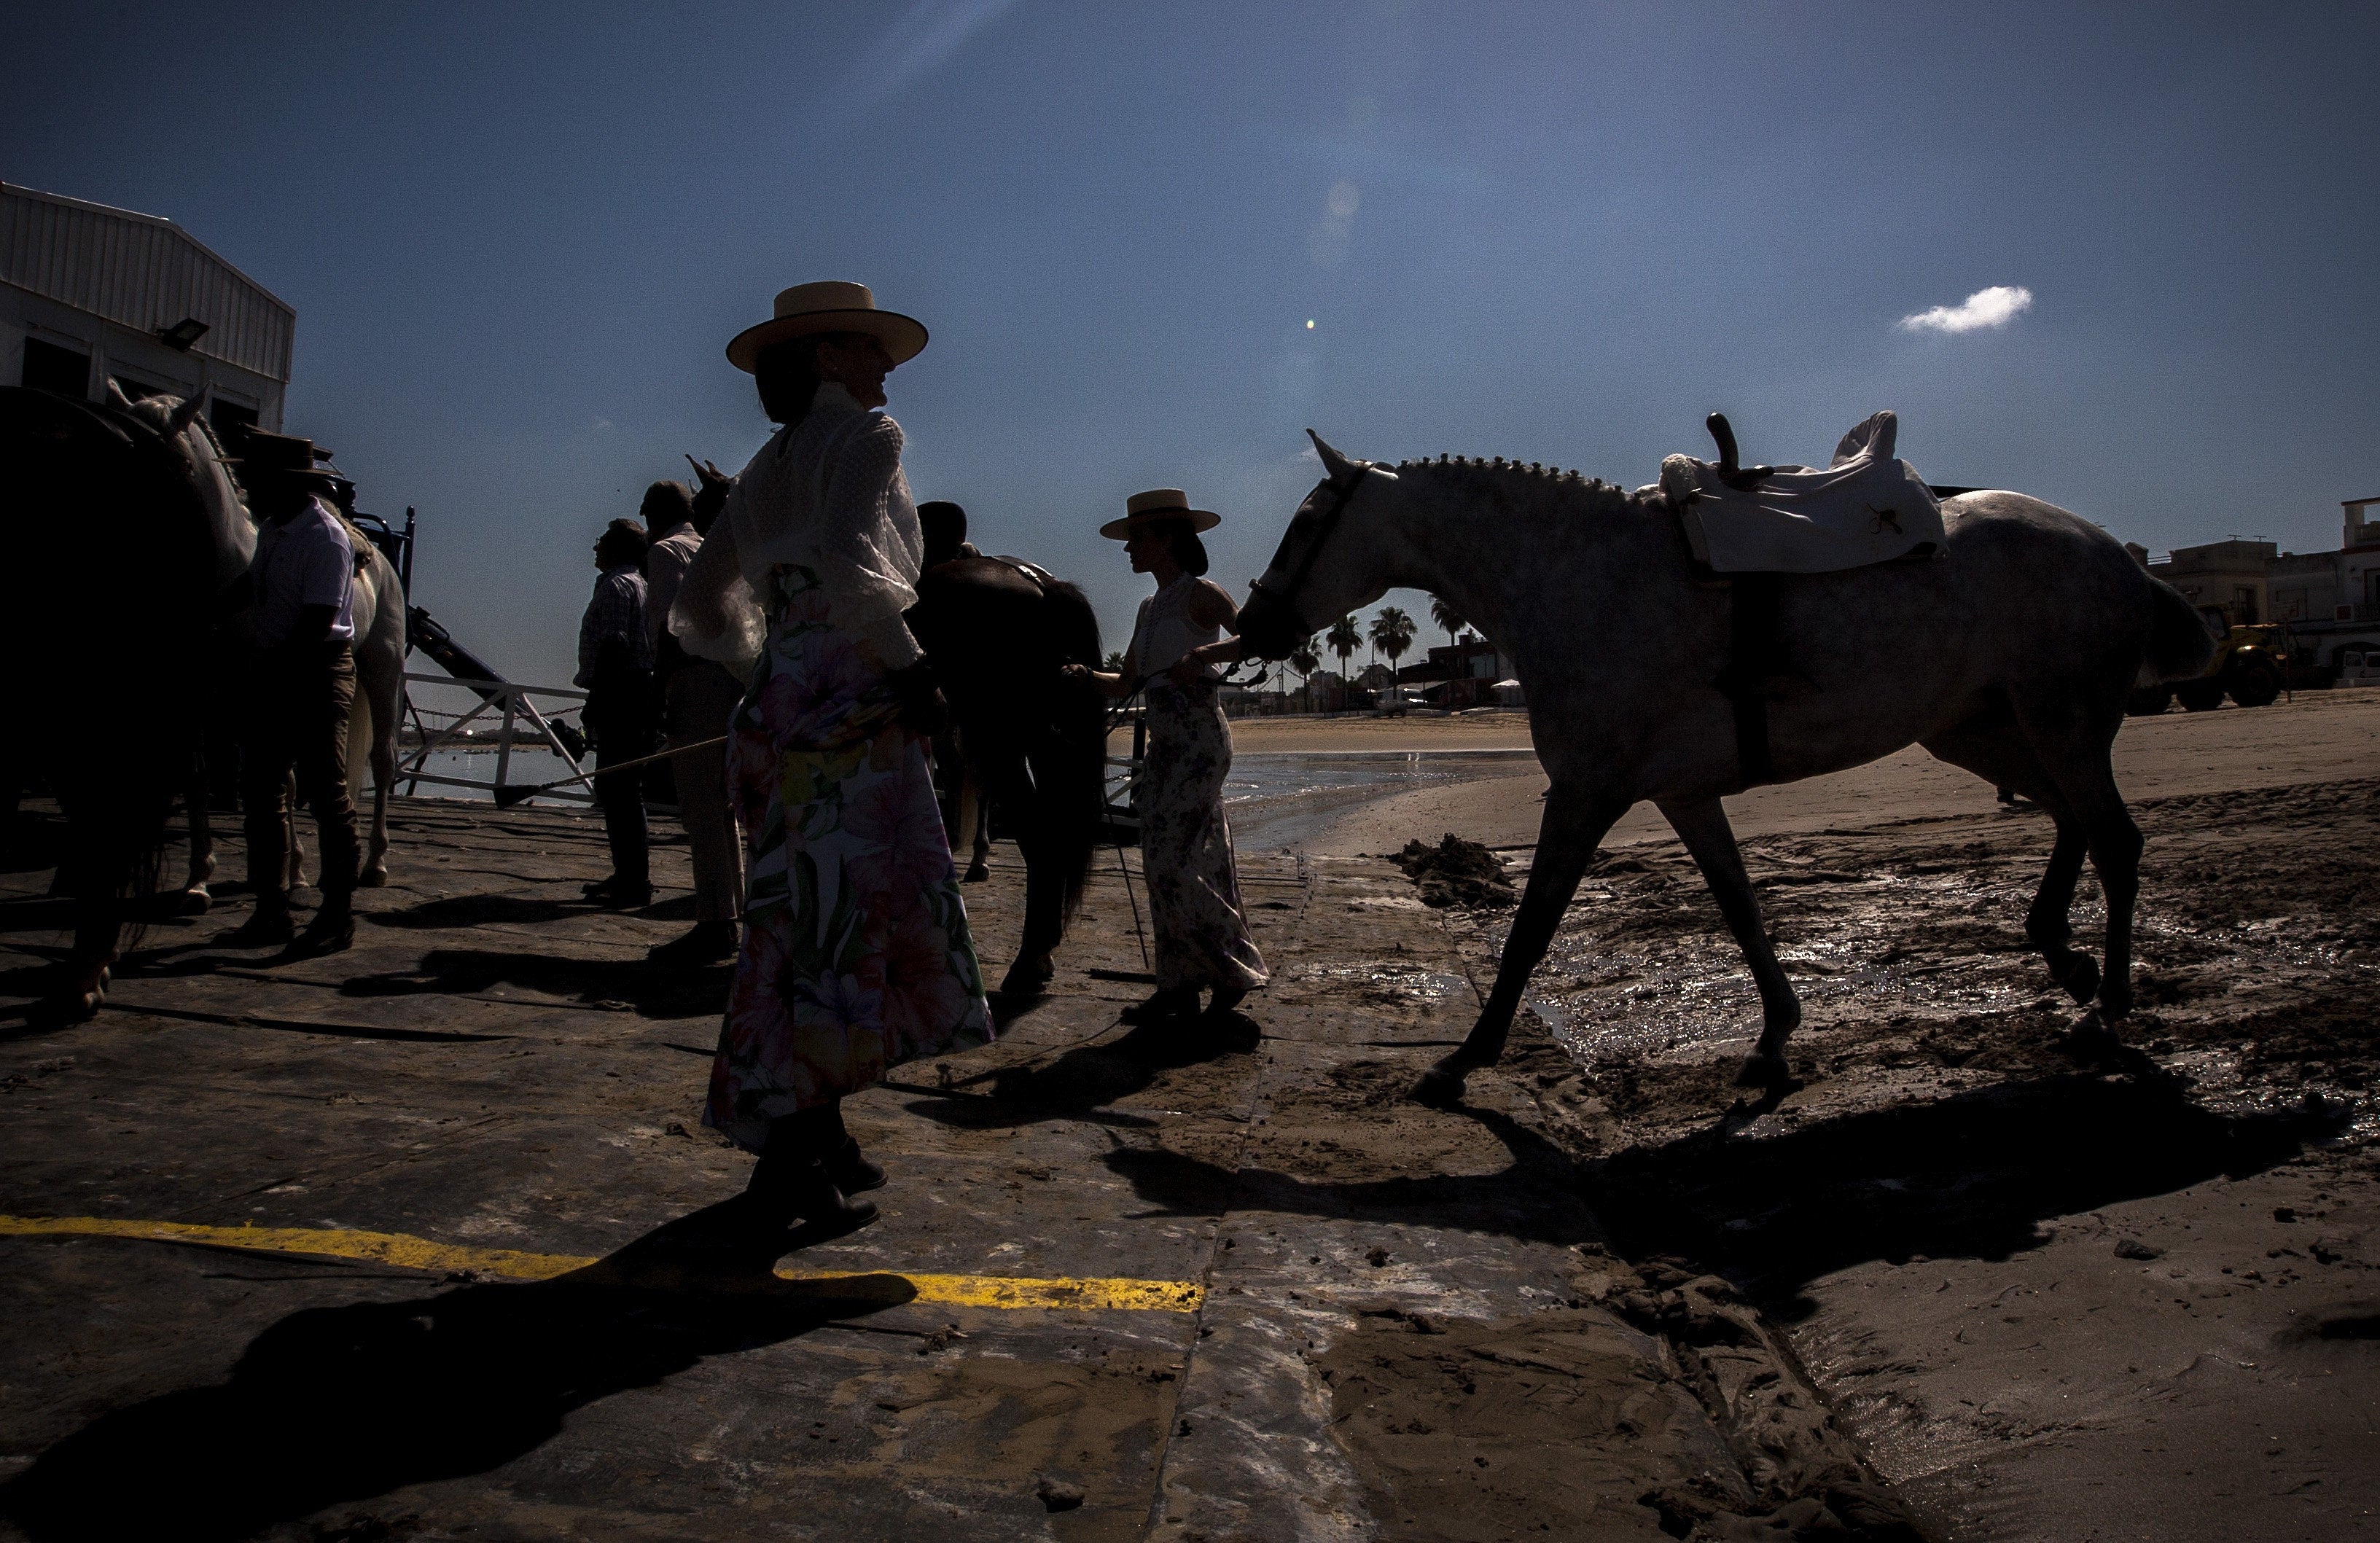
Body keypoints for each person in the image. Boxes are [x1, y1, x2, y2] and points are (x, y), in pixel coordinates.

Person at [672, 281, 994, 1238]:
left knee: (797, 930)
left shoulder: (762, 466)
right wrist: (915, 673)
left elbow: (696, 610)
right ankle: (792, 1159)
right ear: (825, 358)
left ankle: (821, 1131)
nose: (888, 365)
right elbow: (860, 567)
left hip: (776, 713)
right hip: (854, 712)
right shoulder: (870, 439)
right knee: (843, 935)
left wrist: (773, 666)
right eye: (870, 348)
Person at [1064, 490, 1268, 1023]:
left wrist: (1202, 655)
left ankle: (1230, 968)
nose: (1128, 549)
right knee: (1165, 858)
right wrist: (1086, 678)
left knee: (1174, 859)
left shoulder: (1203, 594)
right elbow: (1128, 682)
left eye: (1137, 539)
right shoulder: (1149, 607)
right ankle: (1178, 984)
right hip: (1165, 742)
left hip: (1200, 740)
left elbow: (1258, 641)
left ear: (1167, 539)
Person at [225, 432, 362, 954]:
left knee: (326, 792)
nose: (247, 489)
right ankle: (271, 907)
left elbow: (316, 621)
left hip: (315, 668)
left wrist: (267, 670)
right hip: (280, 664)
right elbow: (251, 584)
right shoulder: (275, 529)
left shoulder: (325, 538)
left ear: (279, 484)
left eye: (253, 481)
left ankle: (337, 911)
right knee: (262, 791)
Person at [644, 474, 746, 962]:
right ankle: (735, 909)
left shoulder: (667, 553)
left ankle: (715, 920)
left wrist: (660, 691)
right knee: (729, 808)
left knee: (702, 807)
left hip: (695, 678)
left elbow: (669, 627)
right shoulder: (732, 549)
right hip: (738, 682)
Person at [577, 516, 655, 907]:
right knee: (627, 788)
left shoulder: (614, 588)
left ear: (617, 548)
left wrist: (595, 703)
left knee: (617, 788)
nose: (596, 547)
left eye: (602, 541)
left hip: (620, 693)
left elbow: (613, 646)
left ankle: (632, 880)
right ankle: (630, 873)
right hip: (638, 692)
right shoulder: (641, 585)